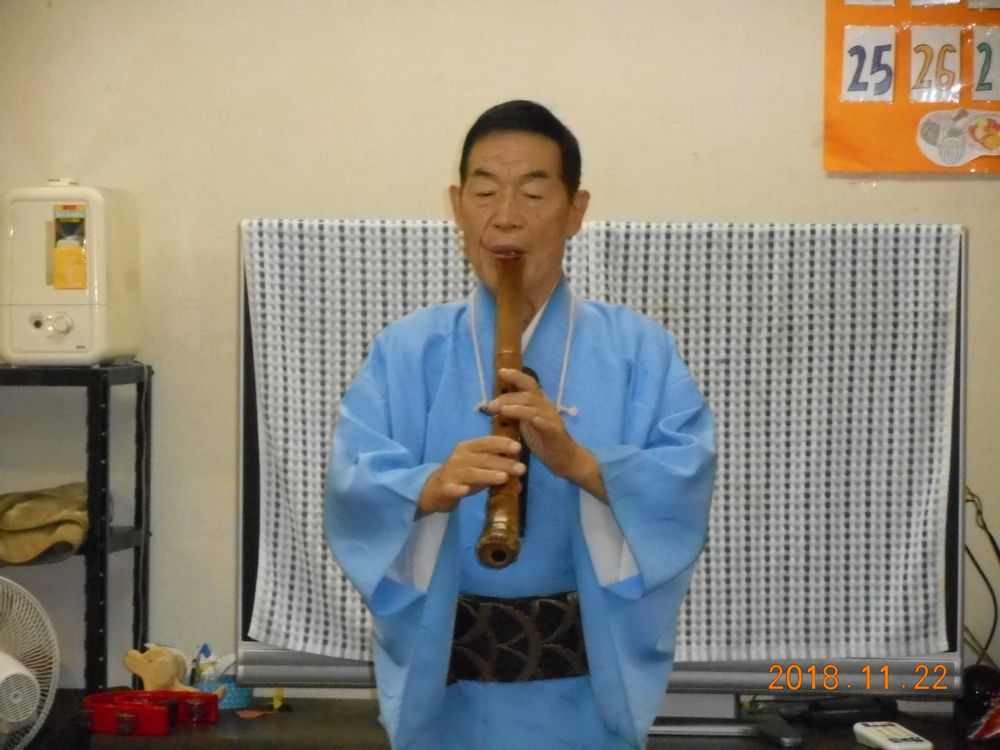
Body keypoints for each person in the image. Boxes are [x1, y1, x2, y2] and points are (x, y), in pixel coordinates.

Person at [325, 100, 715, 749]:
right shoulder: (407, 350)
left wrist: (578, 463)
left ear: (575, 210)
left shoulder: (639, 350)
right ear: (457, 206)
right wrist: (430, 487)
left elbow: (684, 482)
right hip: (447, 695)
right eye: (484, 193)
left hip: (579, 698)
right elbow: (352, 483)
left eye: (533, 193)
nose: (505, 216)